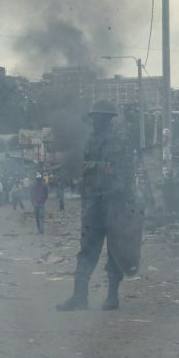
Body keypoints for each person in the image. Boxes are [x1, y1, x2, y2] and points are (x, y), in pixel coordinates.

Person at [57, 100, 143, 312]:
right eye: (94, 117)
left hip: (116, 203)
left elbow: (125, 174)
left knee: (115, 250)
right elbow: (87, 172)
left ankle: (112, 297)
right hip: (94, 202)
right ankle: (79, 297)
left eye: (99, 117)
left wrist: (110, 181)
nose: (95, 121)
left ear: (107, 118)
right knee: (86, 250)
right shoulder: (91, 141)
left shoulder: (120, 141)